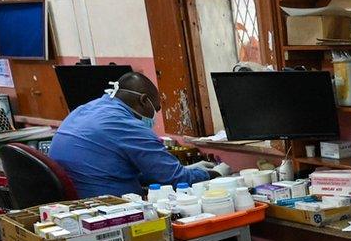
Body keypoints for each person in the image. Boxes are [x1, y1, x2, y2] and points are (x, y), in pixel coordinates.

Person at [50, 72, 230, 198]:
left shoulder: (85, 109)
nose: (154, 117)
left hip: (74, 202)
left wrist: (189, 169)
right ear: (144, 100)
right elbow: (176, 180)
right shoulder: (128, 126)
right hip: (108, 210)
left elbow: (121, 169)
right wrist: (216, 173)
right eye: (156, 109)